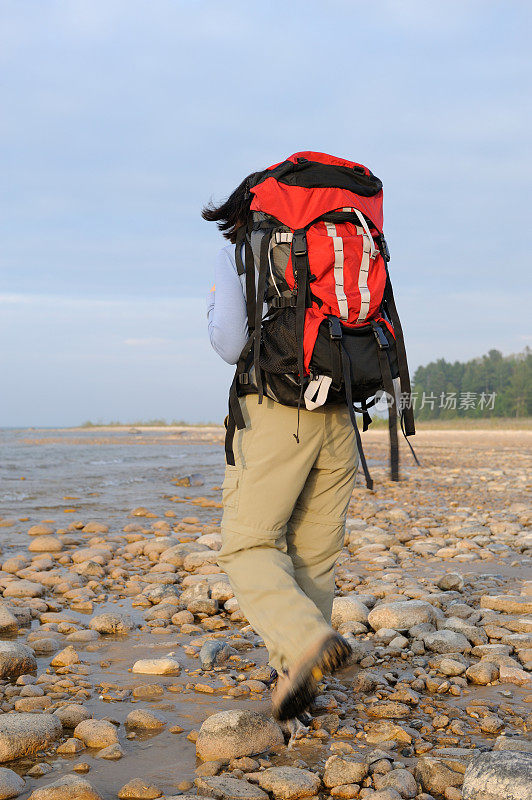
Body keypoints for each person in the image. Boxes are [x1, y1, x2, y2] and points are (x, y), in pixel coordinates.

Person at [203, 169, 358, 722]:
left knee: (248, 545)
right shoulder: (346, 234)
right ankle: (294, 670)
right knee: (313, 552)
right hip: (341, 407)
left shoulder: (246, 244)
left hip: (276, 409)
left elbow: (229, 342)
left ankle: (305, 643)